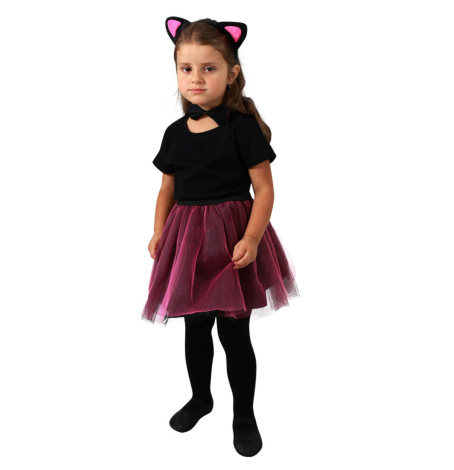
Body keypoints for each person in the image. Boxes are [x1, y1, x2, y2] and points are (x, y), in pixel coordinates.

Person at [140, 16, 300, 457]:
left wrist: (252, 238)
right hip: (188, 243)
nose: (195, 78)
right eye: (186, 68)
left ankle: (244, 415)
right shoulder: (174, 133)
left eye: (208, 68)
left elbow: (264, 190)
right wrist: (159, 231)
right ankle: (201, 398)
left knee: (234, 332)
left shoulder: (241, 128)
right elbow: (167, 189)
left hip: (232, 242)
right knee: (195, 328)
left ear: (232, 73)